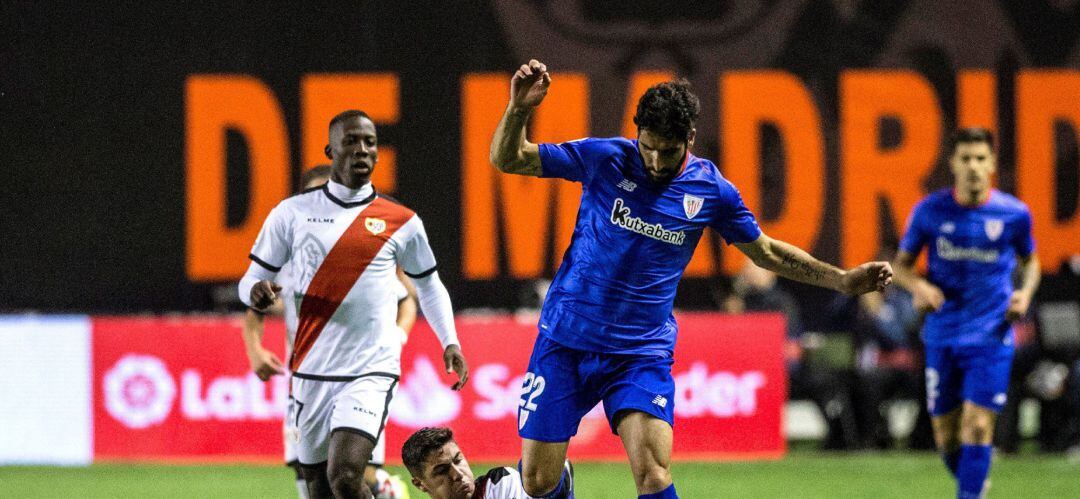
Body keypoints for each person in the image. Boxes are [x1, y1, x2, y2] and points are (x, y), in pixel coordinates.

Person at [489, 59, 893, 499]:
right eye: (649, 147)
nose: (657, 161)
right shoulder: (604, 158)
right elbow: (510, 158)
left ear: (691, 138)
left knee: (654, 474)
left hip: (639, 353)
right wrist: (517, 109)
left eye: (669, 149)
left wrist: (841, 280)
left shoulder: (712, 191)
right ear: (636, 133)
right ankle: (561, 481)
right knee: (537, 482)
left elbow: (767, 251)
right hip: (566, 339)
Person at [239, 110, 470, 499]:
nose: (362, 150)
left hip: (370, 370)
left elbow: (428, 285)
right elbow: (249, 280)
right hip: (309, 372)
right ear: (331, 150)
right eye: (351, 141)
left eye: (370, 142)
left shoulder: (401, 220)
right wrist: (255, 292)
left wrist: (450, 340)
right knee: (317, 488)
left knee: (346, 477)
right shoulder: (292, 214)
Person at [241, 165, 415, 498]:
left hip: (358, 375)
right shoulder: (286, 258)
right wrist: (255, 350)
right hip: (304, 379)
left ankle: (385, 488)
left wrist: (397, 336)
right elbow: (254, 313)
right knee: (308, 474)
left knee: (355, 471)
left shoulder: (361, 256)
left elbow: (406, 301)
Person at [892, 128, 1040, 499]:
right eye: (966, 158)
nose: (973, 166)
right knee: (946, 436)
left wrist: (1024, 294)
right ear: (953, 164)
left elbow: (1032, 261)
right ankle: (975, 484)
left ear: (991, 165)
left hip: (991, 334)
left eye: (980, 158)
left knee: (977, 427)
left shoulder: (1013, 214)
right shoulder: (929, 211)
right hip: (942, 333)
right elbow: (903, 266)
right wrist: (920, 287)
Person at [401, 427, 574, 499]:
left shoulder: (500, 484)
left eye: (458, 460)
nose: (458, 474)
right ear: (420, 484)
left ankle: (559, 482)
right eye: (441, 470)